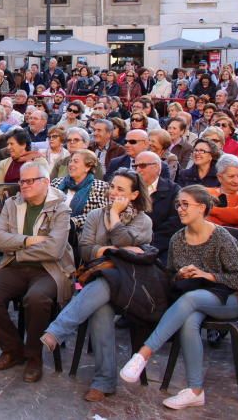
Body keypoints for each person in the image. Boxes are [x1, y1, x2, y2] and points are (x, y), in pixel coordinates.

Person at [119, 185, 238, 410]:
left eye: (186, 204)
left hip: (228, 298)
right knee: (189, 320)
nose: (180, 209)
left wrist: (207, 275)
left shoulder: (220, 236)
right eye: (178, 204)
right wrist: (179, 275)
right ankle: (195, 390)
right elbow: (170, 279)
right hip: (192, 298)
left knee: (192, 300)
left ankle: (144, 353)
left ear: (201, 208)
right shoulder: (177, 239)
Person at [41, 170, 153, 401]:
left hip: (132, 289)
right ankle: (104, 382)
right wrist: (115, 252)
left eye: (120, 190)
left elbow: (125, 243)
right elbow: (86, 250)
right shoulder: (94, 216)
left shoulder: (143, 221)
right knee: (101, 306)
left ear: (134, 195)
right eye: (112, 187)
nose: (113, 193)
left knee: (107, 281)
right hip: (101, 282)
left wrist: (114, 216)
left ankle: (58, 330)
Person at [0, 158, 74, 383]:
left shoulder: (60, 206)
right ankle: (13, 349)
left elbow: (54, 250)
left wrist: (17, 249)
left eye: (31, 181)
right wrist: (29, 240)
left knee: (37, 299)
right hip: (15, 267)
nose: (25, 185)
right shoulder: (12, 203)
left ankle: (34, 357)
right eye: (22, 181)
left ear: (46, 182)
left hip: (49, 270)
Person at [135, 150, 182, 263]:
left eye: (142, 166)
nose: (137, 170)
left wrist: (148, 246)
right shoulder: (130, 187)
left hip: (159, 247)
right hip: (129, 241)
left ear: (156, 167)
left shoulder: (174, 191)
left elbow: (174, 224)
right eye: (135, 166)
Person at [50, 150, 111, 233]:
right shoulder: (56, 183)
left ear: (87, 167)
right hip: (52, 229)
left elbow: (100, 215)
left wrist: (72, 222)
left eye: (76, 162)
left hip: (81, 234)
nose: (71, 164)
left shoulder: (101, 187)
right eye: (70, 161)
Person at [207, 154, 238, 231]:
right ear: (220, 177)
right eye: (231, 176)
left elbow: (237, 216)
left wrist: (209, 210)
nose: (236, 181)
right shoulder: (206, 192)